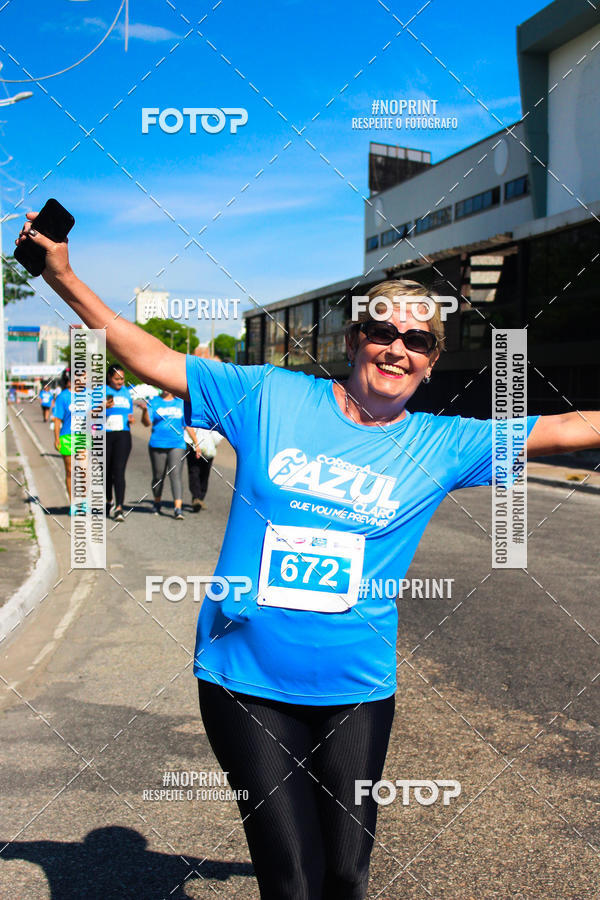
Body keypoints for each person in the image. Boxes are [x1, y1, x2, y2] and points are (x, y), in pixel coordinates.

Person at [17, 214, 600, 900]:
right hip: (245, 678)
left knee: (347, 873)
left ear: (431, 359)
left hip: (355, 685)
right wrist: (61, 276)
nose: (396, 349)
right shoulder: (269, 396)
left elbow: (564, 427)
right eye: (382, 331)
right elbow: (149, 356)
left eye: (416, 340)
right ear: (356, 340)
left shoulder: (445, 444)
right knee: (292, 879)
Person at [139, 389, 196, 519]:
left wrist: (196, 443)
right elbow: (146, 423)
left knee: (175, 475)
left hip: (177, 444)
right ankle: (157, 502)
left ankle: (178, 508)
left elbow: (187, 424)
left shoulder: (181, 403)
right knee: (158, 477)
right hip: (157, 444)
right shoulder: (154, 402)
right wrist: (144, 411)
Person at [105, 362, 134, 522]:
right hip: (105, 435)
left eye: (122, 379)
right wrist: (102, 406)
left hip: (123, 434)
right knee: (107, 472)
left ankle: (119, 507)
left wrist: (131, 418)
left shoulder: (126, 393)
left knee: (119, 470)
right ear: (110, 377)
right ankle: (108, 500)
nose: (120, 382)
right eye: (117, 379)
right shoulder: (101, 391)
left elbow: (129, 412)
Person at [184, 425, 223, 510]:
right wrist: (196, 443)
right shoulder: (194, 413)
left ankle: (201, 497)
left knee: (205, 473)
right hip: (193, 446)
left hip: (209, 447)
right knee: (194, 472)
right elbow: (188, 426)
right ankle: (196, 497)